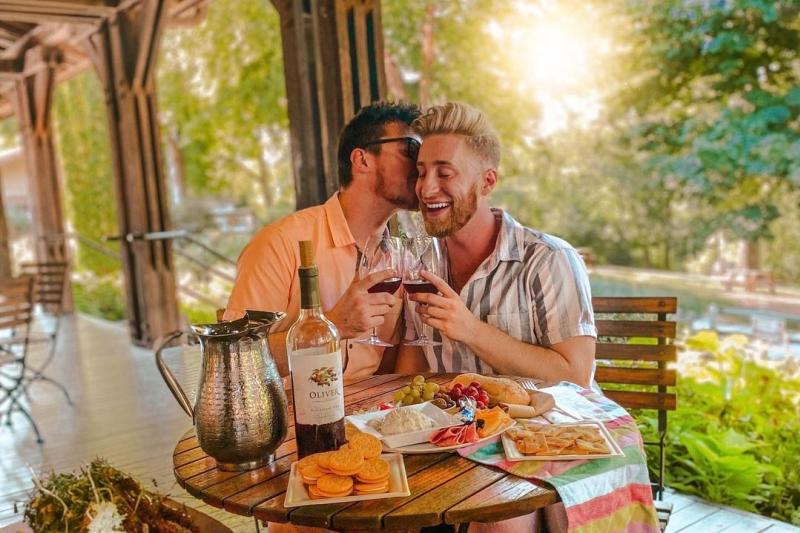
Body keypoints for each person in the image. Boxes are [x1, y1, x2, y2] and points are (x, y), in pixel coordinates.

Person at [397, 101, 597, 389]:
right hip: (461, 431)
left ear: (487, 182)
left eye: (444, 173)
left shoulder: (548, 259)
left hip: (546, 431)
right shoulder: (420, 267)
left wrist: (471, 331)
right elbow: (411, 378)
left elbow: (576, 376)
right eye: (421, 172)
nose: (425, 189)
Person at [224, 101, 421, 378]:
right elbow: (235, 360)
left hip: (367, 417)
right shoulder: (281, 243)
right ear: (362, 160)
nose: (421, 164)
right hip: (290, 418)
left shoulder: (403, 263)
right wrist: (332, 327)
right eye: (411, 148)